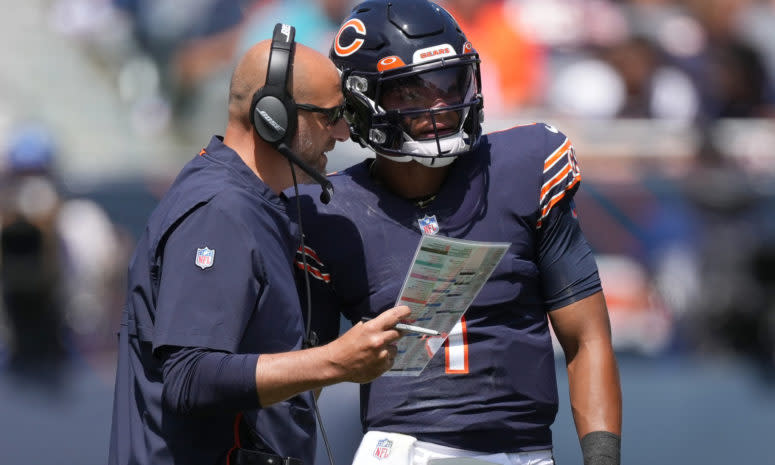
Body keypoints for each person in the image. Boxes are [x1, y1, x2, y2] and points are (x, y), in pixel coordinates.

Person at [290, 1, 622, 464]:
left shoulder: (523, 168)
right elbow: (300, 377)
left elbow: (587, 338)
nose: (441, 105)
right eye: (413, 91)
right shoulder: (330, 212)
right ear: (361, 104)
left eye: (450, 83)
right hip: (404, 449)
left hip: (525, 453)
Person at [108, 27, 411, 465]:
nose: (343, 133)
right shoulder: (222, 211)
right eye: (330, 116)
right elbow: (189, 376)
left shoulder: (253, 203)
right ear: (274, 117)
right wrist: (335, 361)